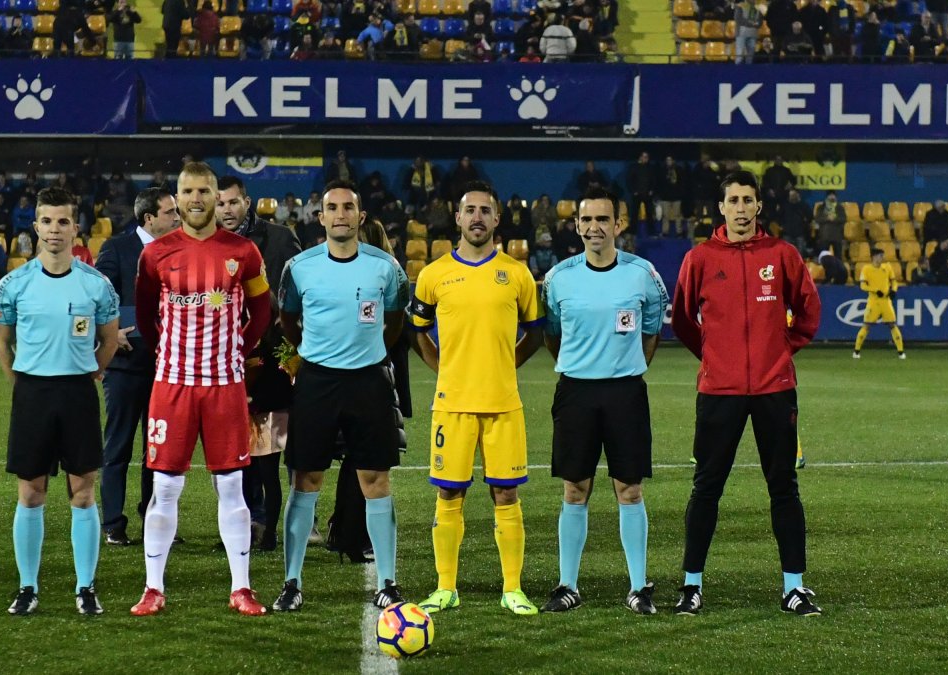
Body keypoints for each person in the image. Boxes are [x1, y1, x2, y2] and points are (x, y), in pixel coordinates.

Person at [670, 170, 823, 617]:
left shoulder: (782, 254)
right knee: (706, 489)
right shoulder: (699, 258)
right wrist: (715, 356)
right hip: (719, 391)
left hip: (776, 389)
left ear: (759, 207)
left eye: (747, 200)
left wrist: (781, 347)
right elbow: (682, 319)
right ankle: (691, 586)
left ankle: (794, 587)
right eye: (733, 200)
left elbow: (809, 311)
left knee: (784, 488)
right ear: (721, 207)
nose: (740, 207)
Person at [129, 162, 272, 617]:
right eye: (187, 191)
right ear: (176, 197)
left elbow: (261, 311)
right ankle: (153, 587)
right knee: (165, 488)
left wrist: (236, 349)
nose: (196, 199)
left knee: (231, 486)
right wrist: (170, 354)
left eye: (204, 191)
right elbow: (148, 312)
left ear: (216, 196)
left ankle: (241, 588)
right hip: (172, 387)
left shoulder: (244, 251)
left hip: (225, 387)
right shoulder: (155, 255)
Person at [271, 180, 410, 612]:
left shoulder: (386, 266)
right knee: (305, 480)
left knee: (376, 480)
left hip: (368, 382)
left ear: (360, 216)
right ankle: (292, 581)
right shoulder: (299, 267)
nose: (341, 214)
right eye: (332, 208)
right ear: (321, 217)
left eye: (349, 207)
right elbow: (289, 321)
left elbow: (394, 321)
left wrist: (368, 353)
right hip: (317, 383)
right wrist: (318, 354)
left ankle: (388, 581)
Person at [409, 181, 546, 616]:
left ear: (497, 219)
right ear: (457, 218)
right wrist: (443, 370)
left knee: (506, 495)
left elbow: (536, 333)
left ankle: (512, 589)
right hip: (452, 405)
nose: (477, 218)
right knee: (449, 496)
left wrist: (506, 366)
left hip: (504, 404)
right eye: (470, 211)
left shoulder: (517, 273)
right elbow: (417, 331)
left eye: (485, 211)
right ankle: (445, 587)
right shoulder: (433, 275)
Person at [0, 186, 121, 616]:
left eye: (63, 221)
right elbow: (1, 345)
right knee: (30, 493)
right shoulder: (14, 283)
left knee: (83, 493)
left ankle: (85, 587)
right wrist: (23, 385)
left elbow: (109, 340)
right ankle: (28, 587)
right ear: (36, 227)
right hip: (33, 394)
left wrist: (92, 371)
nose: (54, 229)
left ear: (75, 227)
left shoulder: (96, 284)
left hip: (78, 392)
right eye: (46, 221)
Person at [539, 187, 667, 615]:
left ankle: (638, 587)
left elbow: (651, 332)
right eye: (586, 220)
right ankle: (567, 585)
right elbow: (552, 334)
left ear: (619, 224)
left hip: (625, 392)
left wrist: (624, 367)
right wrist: (582, 365)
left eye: (603, 220)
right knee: (575, 489)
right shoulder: (559, 278)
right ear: (576, 225)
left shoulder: (643, 274)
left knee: (629, 490)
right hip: (575, 391)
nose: (594, 228)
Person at [215, 176, 302, 551]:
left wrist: (293, 351)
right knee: (234, 449)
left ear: (247, 202)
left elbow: (299, 295)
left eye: (233, 202)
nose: (227, 210)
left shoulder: (281, 239)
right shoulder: (208, 245)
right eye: (220, 203)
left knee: (279, 449)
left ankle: (286, 522)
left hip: (275, 358)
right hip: (224, 356)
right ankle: (244, 522)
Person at [95, 187, 179, 546]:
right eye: (170, 212)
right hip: (126, 365)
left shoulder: (179, 250)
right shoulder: (116, 248)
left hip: (167, 366)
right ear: (149, 218)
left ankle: (155, 522)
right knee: (118, 446)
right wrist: (112, 332)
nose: (177, 217)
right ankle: (113, 523)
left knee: (158, 450)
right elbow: (98, 298)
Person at [853, 248, 905, 359]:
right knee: (866, 325)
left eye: (882, 256)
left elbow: (894, 281)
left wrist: (894, 290)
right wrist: (876, 290)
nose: (882, 258)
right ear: (874, 257)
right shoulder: (866, 269)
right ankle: (856, 351)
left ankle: (901, 352)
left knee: (892, 324)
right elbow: (863, 286)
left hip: (886, 301)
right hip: (874, 301)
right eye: (880, 256)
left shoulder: (887, 267)